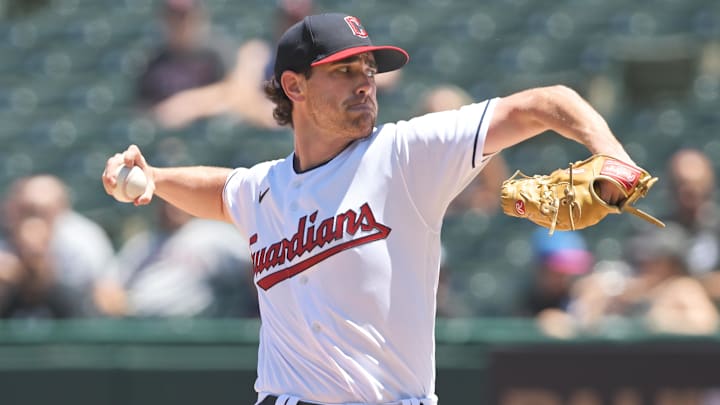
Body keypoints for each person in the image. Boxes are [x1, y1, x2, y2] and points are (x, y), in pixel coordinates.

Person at [102, 12, 644, 405]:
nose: (366, 82)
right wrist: (156, 177)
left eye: (368, 69)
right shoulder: (264, 189)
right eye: (344, 71)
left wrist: (613, 157)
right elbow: (220, 189)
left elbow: (545, 103)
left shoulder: (405, 153)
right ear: (294, 85)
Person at [93, 199, 257, 318]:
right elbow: (107, 288)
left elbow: (254, 264)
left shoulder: (212, 234)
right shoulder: (143, 243)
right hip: (140, 325)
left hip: (193, 328)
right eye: (165, 201)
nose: (172, 208)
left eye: (176, 200)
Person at [0, 175, 116, 318]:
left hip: (75, 318)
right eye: (27, 210)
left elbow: (110, 301)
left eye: (42, 210)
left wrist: (43, 273)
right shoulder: (6, 234)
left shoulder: (84, 239)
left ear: (61, 209)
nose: (34, 217)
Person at [136, 0, 230, 108]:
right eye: (175, 18)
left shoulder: (217, 55)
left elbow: (232, 96)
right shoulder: (153, 62)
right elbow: (143, 109)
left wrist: (185, 105)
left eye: (186, 17)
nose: (181, 24)